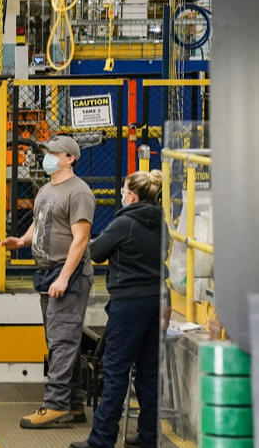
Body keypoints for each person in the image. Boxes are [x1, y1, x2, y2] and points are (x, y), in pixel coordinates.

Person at [0, 135, 95, 429]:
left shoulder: (79, 193)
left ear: (70, 159)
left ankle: (55, 406)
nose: (49, 156)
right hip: (47, 273)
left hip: (68, 274)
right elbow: (40, 221)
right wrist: (23, 240)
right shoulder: (45, 190)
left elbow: (80, 239)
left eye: (55, 152)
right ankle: (74, 405)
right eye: (48, 152)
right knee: (62, 341)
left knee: (63, 340)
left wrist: (65, 277)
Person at [72, 171, 165, 448]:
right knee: (148, 372)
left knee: (116, 372)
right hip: (157, 301)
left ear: (132, 196)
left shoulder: (125, 222)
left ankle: (101, 440)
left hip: (128, 305)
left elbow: (97, 252)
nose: (122, 196)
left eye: (124, 191)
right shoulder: (163, 221)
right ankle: (149, 437)